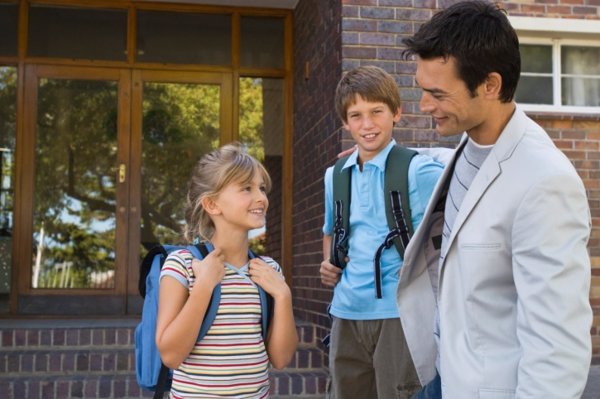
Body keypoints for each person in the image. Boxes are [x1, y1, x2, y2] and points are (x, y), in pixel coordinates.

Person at [396, 2, 593, 398]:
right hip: (442, 376)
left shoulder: (546, 183)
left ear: (490, 85)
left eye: (437, 94)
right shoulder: (469, 144)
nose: (424, 106)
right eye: (422, 90)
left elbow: (557, 348)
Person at [320, 65, 444, 398]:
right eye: (356, 115)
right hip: (346, 312)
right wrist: (329, 263)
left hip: (399, 314)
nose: (367, 124)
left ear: (396, 113)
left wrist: (426, 153)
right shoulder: (335, 176)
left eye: (377, 112)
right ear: (345, 122)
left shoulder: (418, 170)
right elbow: (331, 229)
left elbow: (467, 172)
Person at [155, 143, 298, 398]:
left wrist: (283, 295)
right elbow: (171, 356)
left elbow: (281, 358)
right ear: (212, 204)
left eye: (261, 188)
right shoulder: (183, 265)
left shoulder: (268, 271)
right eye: (246, 188)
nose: (261, 198)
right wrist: (203, 287)